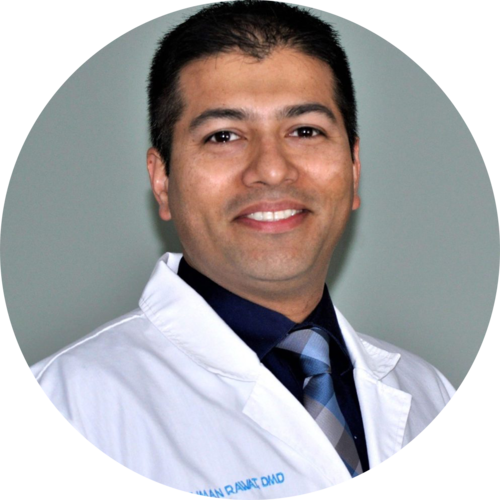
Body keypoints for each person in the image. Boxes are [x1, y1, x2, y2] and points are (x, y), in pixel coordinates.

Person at [29, 1, 456, 494]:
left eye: (305, 130)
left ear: (354, 168)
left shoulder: (429, 394)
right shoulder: (72, 405)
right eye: (224, 136)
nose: (272, 170)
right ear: (162, 181)